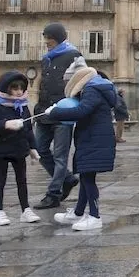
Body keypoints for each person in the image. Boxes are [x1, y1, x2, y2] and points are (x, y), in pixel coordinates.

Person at [47, 64, 116, 230]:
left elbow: (81, 112)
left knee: (88, 178)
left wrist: (55, 113)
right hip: (91, 138)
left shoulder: (92, 90)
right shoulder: (96, 88)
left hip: (94, 140)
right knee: (86, 176)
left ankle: (94, 216)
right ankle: (78, 213)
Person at [0, 71, 41, 226]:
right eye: (15, 88)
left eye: (21, 88)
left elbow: (28, 129)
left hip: (18, 149)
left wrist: (33, 148)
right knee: (0, 180)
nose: (19, 91)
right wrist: (5, 124)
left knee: (22, 180)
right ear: (7, 89)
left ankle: (26, 209)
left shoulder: (22, 107)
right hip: (1, 150)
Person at [33, 22, 81, 210]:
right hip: (44, 112)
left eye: (49, 38)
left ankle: (53, 194)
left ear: (58, 37)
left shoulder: (74, 56)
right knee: (40, 150)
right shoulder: (46, 59)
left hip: (63, 112)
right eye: (45, 38)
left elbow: (83, 80)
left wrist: (76, 105)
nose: (46, 42)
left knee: (61, 156)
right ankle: (67, 179)